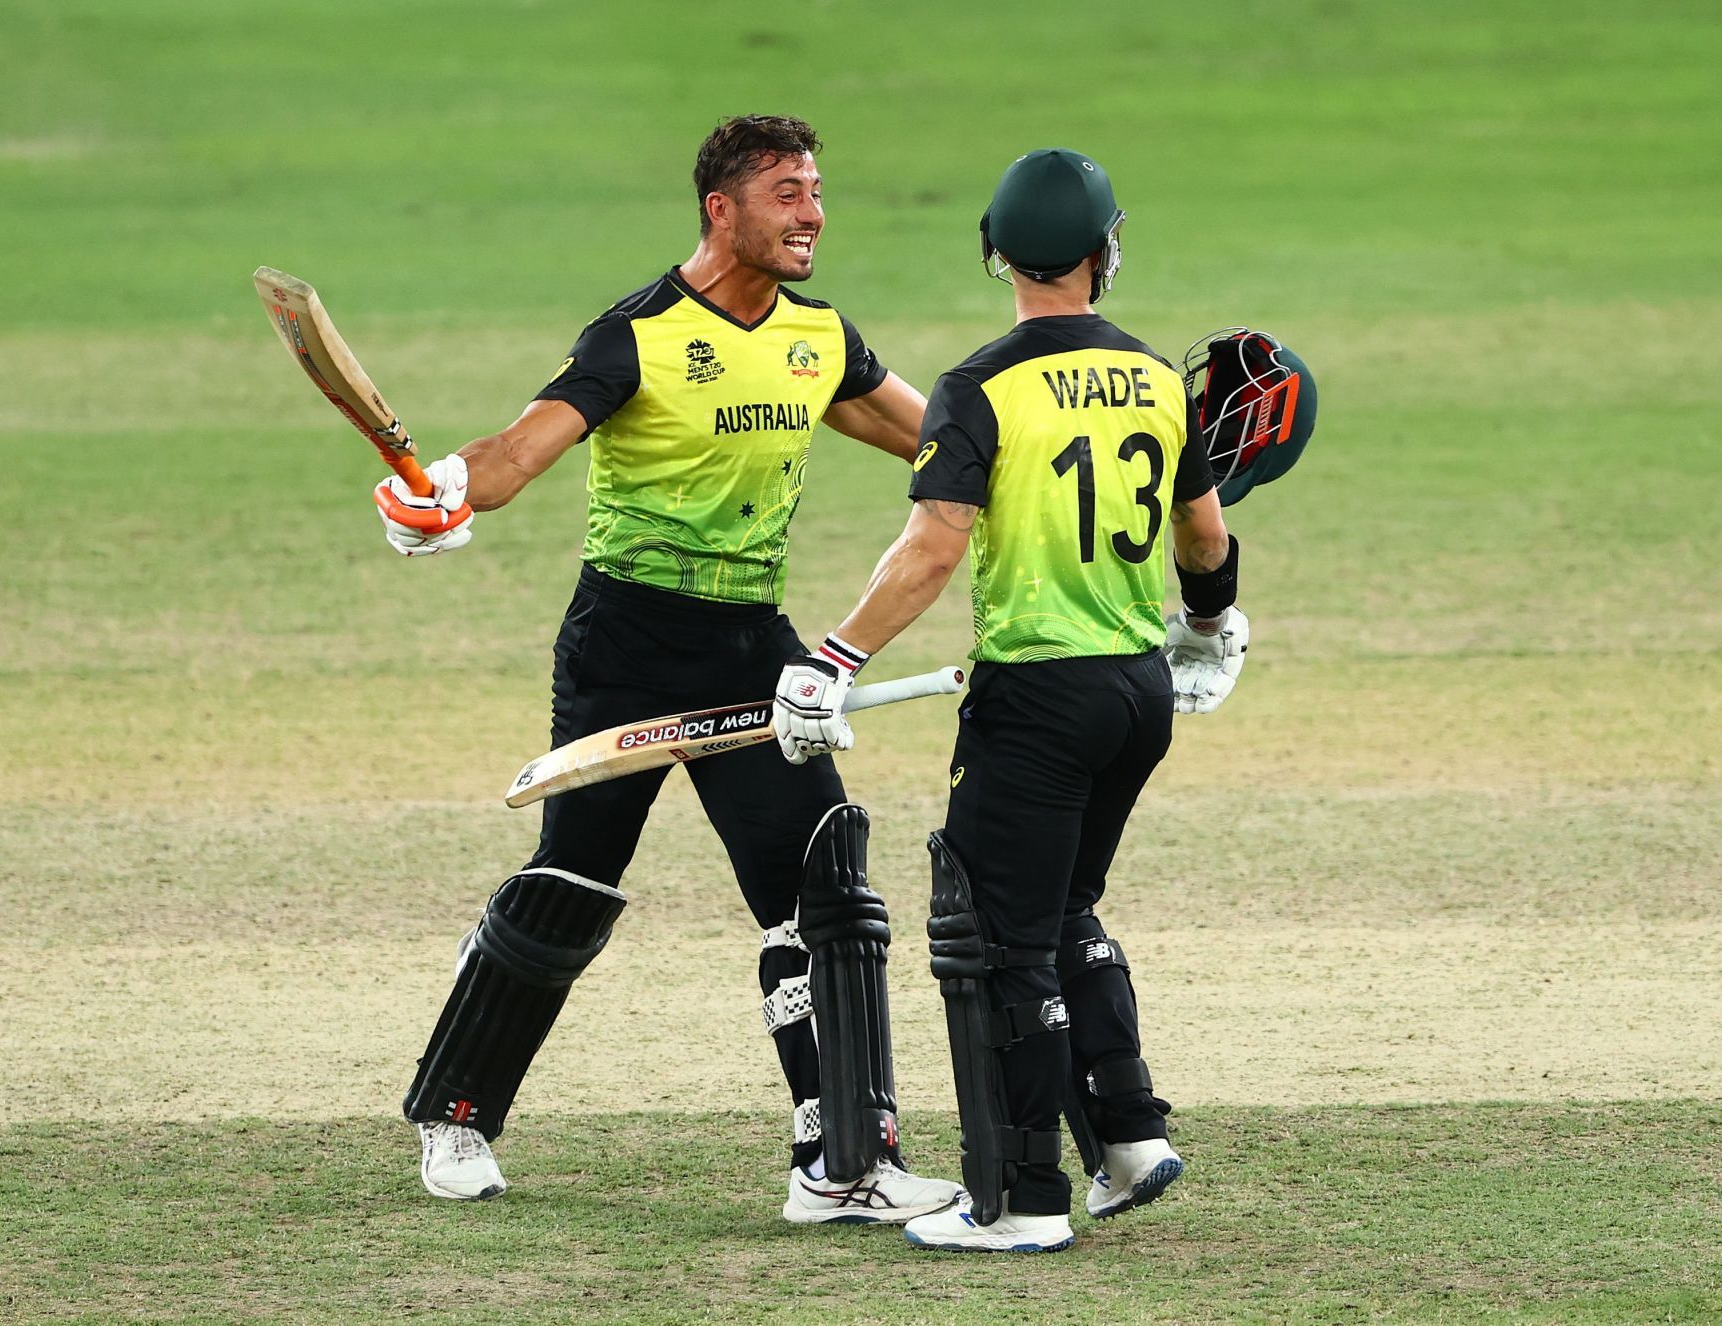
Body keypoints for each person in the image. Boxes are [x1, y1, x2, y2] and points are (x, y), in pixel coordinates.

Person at [373, 114, 962, 1225]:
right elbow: (513, 455)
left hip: (751, 647)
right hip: (625, 649)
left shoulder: (819, 339)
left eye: (818, 191)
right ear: (721, 209)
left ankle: (843, 1163)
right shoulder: (635, 335)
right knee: (572, 881)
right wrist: (436, 493)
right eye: (787, 193)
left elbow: (940, 446)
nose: (813, 214)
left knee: (821, 892)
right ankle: (454, 1115)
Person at [771, 147, 1247, 1253]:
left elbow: (934, 547)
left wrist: (831, 661)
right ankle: (1127, 1140)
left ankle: (1024, 1202)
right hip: (1138, 694)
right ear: (1104, 252)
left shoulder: (979, 387)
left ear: (993, 251)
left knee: (994, 941)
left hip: (1035, 699)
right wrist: (1213, 627)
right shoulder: (1158, 382)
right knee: (1064, 912)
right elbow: (1207, 537)